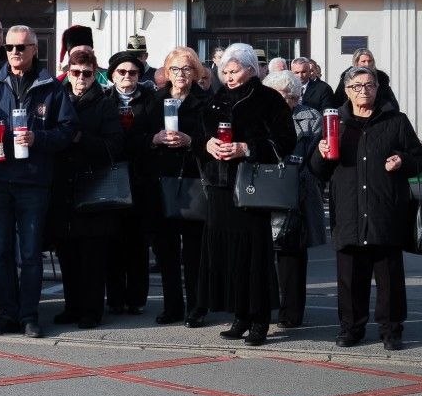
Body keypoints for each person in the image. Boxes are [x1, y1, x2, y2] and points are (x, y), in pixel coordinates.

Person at [0, 24, 76, 338]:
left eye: (21, 47)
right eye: (10, 47)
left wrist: (37, 137)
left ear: (34, 50)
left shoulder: (51, 88)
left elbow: (68, 130)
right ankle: (7, 313)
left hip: (33, 180)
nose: (14, 52)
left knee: (30, 253)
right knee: (1, 251)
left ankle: (29, 315)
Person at [310, 67, 422, 351]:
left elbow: (419, 158)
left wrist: (402, 160)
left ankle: (391, 329)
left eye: (370, 85)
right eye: (358, 86)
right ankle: (351, 329)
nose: (364, 90)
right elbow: (316, 170)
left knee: (389, 276)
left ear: (377, 89)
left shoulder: (395, 120)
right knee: (350, 277)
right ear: (347, 90)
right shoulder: (334, 122)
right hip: (349, 210)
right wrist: (321, 154)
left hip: (385, 209)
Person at [196, 43, 296, 346]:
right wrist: (207, 144)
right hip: (220, 185)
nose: (229, 76)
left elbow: (285, 141)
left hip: (252, 185)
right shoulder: (216, 100)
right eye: (224, 71)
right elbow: (201, 133)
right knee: (227, 253)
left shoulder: (268, 99)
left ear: (251, 69)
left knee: (254, 253)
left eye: (235, 70)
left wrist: (247, 147)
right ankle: (238, 314)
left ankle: (259, 319)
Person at [49, 47, 123, 329]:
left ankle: (91, 311)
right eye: (76, 72)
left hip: (93, 186)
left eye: (87, 74)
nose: (81, 78)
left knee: (92, 255)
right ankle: (72, 307)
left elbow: (115, 145)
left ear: (95, 75)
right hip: (64, 186)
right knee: (67, 252)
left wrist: (82, 138)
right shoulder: (59, 97)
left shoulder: (104, 104)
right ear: (68, 72)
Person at [151, 47, 210, 328]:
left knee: (195, 252)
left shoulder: (206, 100)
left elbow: (213, 137)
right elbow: (138, 136)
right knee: (166, 251)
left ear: (196, 72)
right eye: (174, 69)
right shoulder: (157, 99)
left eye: (186, 69)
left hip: (193, 181)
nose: (180, 74)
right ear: (167, 72)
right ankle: (172, 306)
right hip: (162, 182)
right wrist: (155, 138)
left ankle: (197, 307)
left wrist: (191, 140)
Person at [262, 70, 327, 328]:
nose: (284, 100)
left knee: (292, 258)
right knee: (262, 257)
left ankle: (291, 313)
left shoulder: (310, 117)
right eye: (278, 95)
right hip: (263, 193)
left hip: (297, 195)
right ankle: (263, 309)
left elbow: (313, 160)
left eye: (289, 96)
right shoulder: (258, 116)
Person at [104, 50, 156, 316]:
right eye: (122, 72)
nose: (127, 77)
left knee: (138, 243)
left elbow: (155, 134)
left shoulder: (150, 100)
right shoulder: (105, 100)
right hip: (112, 178)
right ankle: (114, 298)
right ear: (112, 75)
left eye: (132, 72)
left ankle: (136, 298)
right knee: (113, 241)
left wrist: (143, 141)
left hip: (141, 179)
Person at [332, 48, 399, 110]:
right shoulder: (347, 78)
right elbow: (338, 100)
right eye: (363, 61)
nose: (367, 64)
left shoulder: (382, 79)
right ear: (356, 63)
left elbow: (390, 101)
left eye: (369, 61)